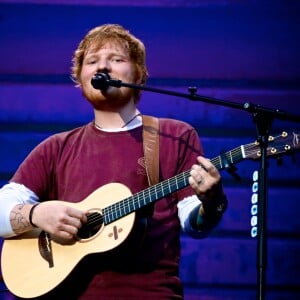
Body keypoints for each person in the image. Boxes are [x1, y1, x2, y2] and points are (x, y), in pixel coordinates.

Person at [0, 24, 227, 299]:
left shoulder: (175, 136)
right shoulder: (57, 148)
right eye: (92, 61)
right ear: (81, 78)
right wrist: (36, 214)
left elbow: (194, 223)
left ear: (139, 75)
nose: (102, 68)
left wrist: (212, 203)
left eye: (116, 60)